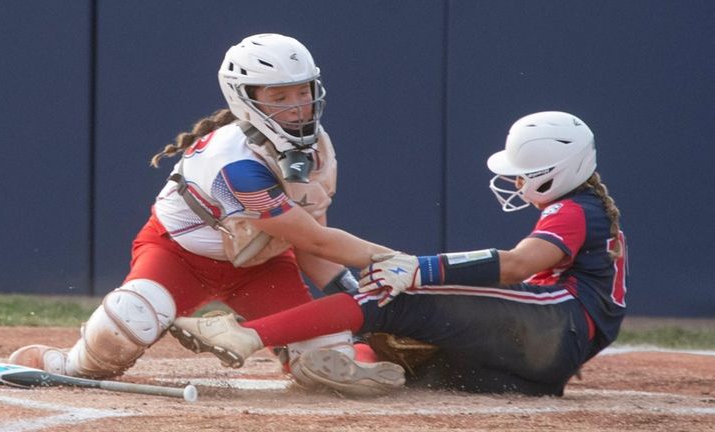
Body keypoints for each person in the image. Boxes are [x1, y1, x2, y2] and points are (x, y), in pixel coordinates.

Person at [7, 33, 401, 392]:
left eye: (302, 92)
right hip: (179, 257)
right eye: (279, 98)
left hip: (262, 266)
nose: (298, 107)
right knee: (131, 320)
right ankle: (64, 362)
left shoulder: (317, 149)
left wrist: (356, 300)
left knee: (327, 357)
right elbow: (315, 239)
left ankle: (338, 355)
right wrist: (398, 265)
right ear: (243, 98)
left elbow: (310, 245)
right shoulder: (236, 165)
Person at [170, 111, 629, 397]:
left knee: (395, 295)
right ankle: (365, 358)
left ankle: (246, 336)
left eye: (526, 174)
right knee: (422, 355)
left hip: (558, 326)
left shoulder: (573, 210)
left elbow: (516, 266)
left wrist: (419, 269)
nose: (516, 182)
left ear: (555, 172)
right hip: (558, 342)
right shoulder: (581, 207)